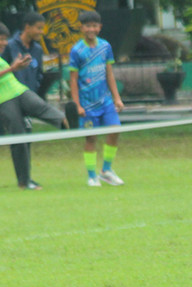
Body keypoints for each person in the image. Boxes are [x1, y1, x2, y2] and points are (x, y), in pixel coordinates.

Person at [0, 22, 65, 190]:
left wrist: (15, 67)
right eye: (1, 39)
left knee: (42, 107)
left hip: (20, 91)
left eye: (5, 40)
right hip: (4, 100)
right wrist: (12, 68)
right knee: (19, 138)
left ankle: (68, 123)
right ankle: (24, 182)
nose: (4, 43)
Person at [0, 12, 48, 189]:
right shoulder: (9, 46)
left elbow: (38, 74)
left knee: (25, 138)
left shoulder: (37, 49)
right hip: (6, 99)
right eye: (38, 28)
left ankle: (25, 179)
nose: (41, 32)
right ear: (27, 27)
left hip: (26, 99)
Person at [69, 10, 125, 187]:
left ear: (99, 27)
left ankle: (106, 170)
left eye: (94, 26)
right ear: (81, 28)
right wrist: (77, 105)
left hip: (105, 101)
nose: (91, 29)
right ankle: (92, 175)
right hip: (87, 103)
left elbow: (109, 74)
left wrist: (117, 98)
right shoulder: (77, 50)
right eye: (87, 26)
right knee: (91, 138)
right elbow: (73, 79)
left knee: (115, 130)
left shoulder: (105, 47)